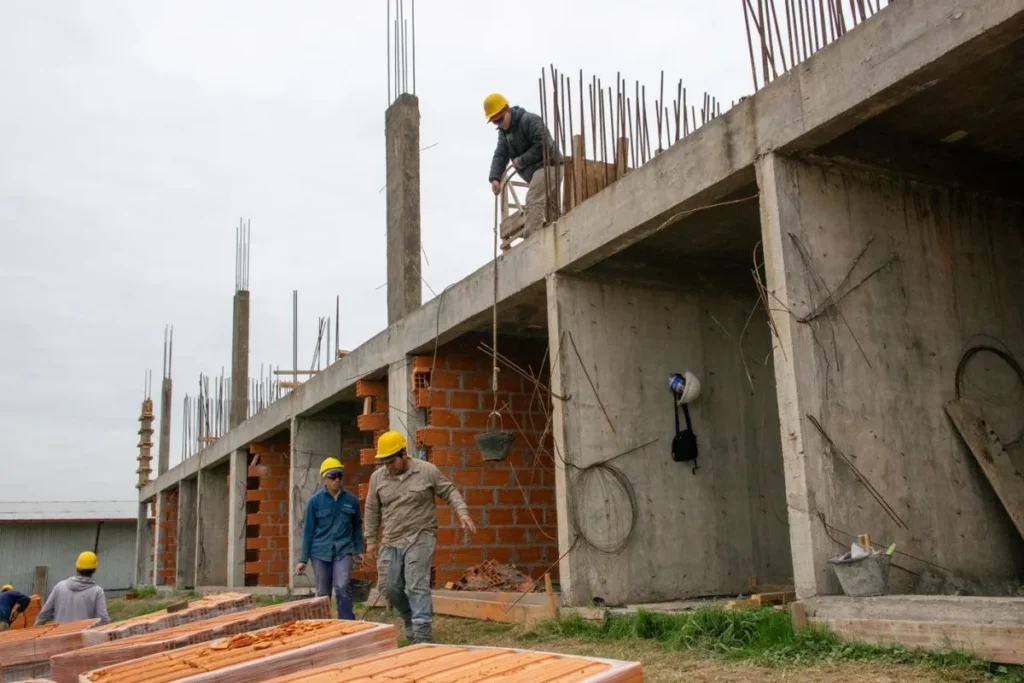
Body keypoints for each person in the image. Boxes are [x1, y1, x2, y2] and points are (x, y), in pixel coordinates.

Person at [363, 431, 476, 643]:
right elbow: (371, 509)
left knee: (416, 583)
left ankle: (422, 633)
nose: (388, 466)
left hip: (421, 534)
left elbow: (449, 491)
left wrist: (462, 512)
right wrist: (370, 540)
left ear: (403, 454)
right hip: (391, 538)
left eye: (391, 461)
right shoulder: (377, 478)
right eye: (384, 462)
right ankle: (409, 617)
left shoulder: (426, 471)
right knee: (388, 587)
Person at [485, 92, 564, 240]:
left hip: (550, 166)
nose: (499, 124)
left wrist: (522, 160)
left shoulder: (529, 120)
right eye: (495, 122)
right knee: (550, 207)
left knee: (533, 199)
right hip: (535, 172)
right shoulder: (504, 134)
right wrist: (495, 178)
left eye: (500, 119)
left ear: (507, 109)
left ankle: (533, 241)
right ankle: (556, 238)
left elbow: (543, 143)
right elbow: (500, 155)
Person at [294, 457, 363, 620]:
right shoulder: (314, 502)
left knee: (342, 586)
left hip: (343, 550)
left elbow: (357, 527)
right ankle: (323, 623)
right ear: (323, 478)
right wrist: (303, 559)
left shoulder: (351, 500)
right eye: (333, 476)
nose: (337, 480)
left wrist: (359, 550)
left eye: (340, 476)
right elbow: (308, 532)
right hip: (319, 552)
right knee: (323, 592)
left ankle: (346, 622)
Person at [35, 551, 109, 626]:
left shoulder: (60, 586)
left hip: (59, 632)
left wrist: (35, 629)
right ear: (94, 570)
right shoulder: (97, 591)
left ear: (77, 567)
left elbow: (44, 614)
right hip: (82, 633)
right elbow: (103, 619)